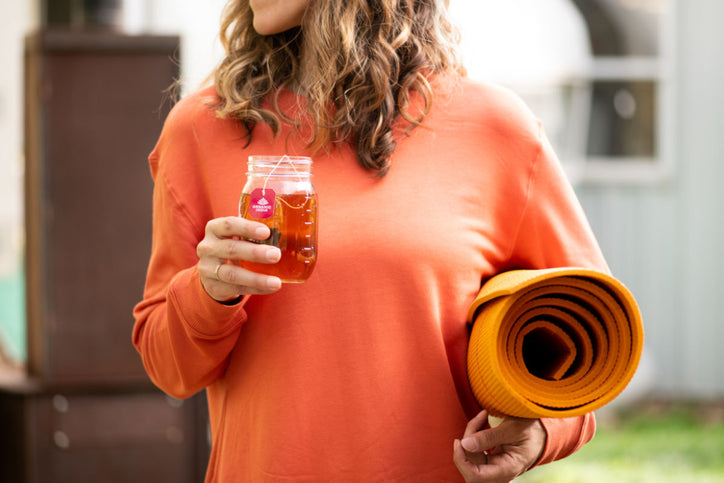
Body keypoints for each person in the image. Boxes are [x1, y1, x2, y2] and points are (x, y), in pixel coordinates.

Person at [132, 0, 605, 481]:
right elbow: (168, 368)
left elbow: (597, 342)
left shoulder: (495, 128)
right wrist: (207, 293)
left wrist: (544, 429)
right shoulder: (202, 128)